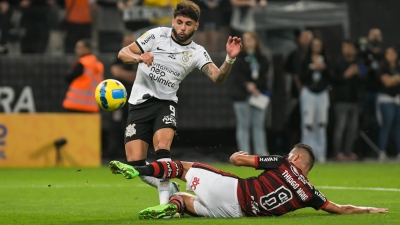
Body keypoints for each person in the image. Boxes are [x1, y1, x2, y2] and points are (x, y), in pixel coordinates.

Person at [115, 0, 242, 205]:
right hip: (139, 104)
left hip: (165, 103)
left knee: (162, 148)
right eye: (180, 22)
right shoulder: (156, 35)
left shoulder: (197, 52)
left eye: (188, 24)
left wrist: (229, 58)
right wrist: (139, 58)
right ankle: (168, 186)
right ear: (173, 21)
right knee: (135, 162)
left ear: (196, 26)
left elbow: (217, 77)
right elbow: (123, 53)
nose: (182, 28)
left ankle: (165, 205)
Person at [108, 143, 388, 219]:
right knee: (186, 200)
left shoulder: (282, 163)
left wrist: (237, 155)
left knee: (181, 167)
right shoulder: (309, 194)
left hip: (232, 190)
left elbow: (237, 161)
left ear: (298, 159)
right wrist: (369, 210)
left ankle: (139, 169)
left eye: (292, 153)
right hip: (235, 213)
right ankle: (175, 204)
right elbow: (340, 209)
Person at [229, 31, 269, 156]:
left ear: (256, 41)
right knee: (243, 125)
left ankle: (261, 153)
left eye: (251, 39)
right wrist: (247, 85)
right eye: (246, 39)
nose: (248, 42)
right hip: (242, 96)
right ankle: (244, 154)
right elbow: (236, 76)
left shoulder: (262, 58)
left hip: (258, 95)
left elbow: (265, 76)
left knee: (258, 126)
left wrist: (256, 86)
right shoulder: (237, 58)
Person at [298, 37, 331, 163]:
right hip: (309, 93)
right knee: (308, 125)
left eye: (319, 45)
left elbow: (332, 76)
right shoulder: (305, 60)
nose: (316, 47)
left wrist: (324, 68)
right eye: (314, 45)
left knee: (321, 124)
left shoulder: (326, 60)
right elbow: (301, 76)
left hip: (322, 93)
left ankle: (320, 154)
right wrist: (312, 68)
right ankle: (306, 155)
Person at [331, 40, 363, 161]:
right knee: (340, 127)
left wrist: (358, 73)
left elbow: (365, 78)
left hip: (354, 100)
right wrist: (346, 75)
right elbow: (333, 78)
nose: (347, 50)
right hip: (341, 100)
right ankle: (337, 152)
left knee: (352, 129)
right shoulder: (338, 63)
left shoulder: (358, 63)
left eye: (349, 47)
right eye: (344, 47)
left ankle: (348, 151)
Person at [284, 30, 313, 149]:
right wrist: (300, 91)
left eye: (308, 37)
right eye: (303, 37)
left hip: (313, 93)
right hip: (296, 94)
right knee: (294, 122)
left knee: (310, 123)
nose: (306, 40)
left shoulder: (313, 54)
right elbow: (291, 73)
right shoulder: (295, 54)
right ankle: (292, 149)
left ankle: (310, 149)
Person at [62, 39, 104, 112]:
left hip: (75, 104)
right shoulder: (98, 64)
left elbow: (68, 77)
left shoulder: (83, 63)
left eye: (79, 47)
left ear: (87, 49)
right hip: (92, 105)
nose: (76, 50)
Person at [376, 47, 400, 161]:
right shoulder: (382, 67)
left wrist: (394, 78)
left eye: (393, 53)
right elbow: (388, 82)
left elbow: (391, 80)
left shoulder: (398, 67)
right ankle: (382, 151)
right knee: (386, 126)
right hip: (386, 99)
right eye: (388, 53)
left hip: (398, 99)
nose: (391, 55)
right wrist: (396, 78)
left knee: (398, 128)